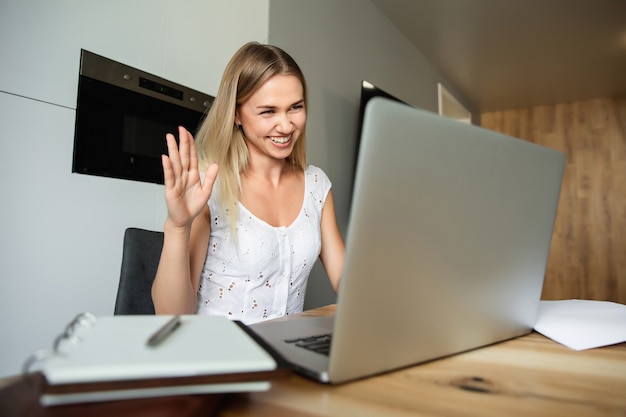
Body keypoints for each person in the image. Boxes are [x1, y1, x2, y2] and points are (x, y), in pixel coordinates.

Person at [151, 42, 345, 324]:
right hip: (220, 358)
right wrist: (178, 227)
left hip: (285, 357)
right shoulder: (209, 188)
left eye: (295, 107)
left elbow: (346, 281)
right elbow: (170, 315)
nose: (286, 125)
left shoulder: (316, 186)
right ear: (237, 114)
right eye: (268, 111)